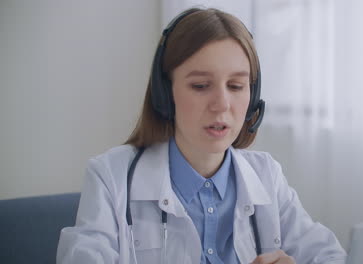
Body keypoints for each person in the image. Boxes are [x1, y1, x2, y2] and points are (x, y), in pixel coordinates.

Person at [57, 7, 346, 264]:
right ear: (165, 94)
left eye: (235, 86)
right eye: (200, 85)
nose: (221, 104)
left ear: (253, 96)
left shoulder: (267, 175)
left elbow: (330, 255)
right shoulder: (111, 176)